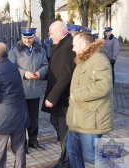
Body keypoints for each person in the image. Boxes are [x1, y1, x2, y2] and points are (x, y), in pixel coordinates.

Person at [66, 33, 113, 167]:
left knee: (91, 156)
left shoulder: (98, 59)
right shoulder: (83, 60)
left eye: (74, 45)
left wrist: (77, 95)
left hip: (91, 120)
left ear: (82, 45)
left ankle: (117, 163)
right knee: (73, 151)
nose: (72, 49)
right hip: (78, 119)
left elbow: (104, 86)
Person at [41, 21, 76, 168]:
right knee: (56, 123)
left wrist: (52, 97)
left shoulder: (68, 46)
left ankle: (66, 162)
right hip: (58, 96)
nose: (49, 36)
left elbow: (66, 75)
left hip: (63, 98)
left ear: (61, 32)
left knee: (64, 130)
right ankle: (65, 158)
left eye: (51, 33)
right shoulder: (61, 44)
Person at [8, 27, 48, 153]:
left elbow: (45, 64)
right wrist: (24, 73)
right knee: (22, 119)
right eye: (24, 37)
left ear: (34, 36)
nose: (27, 40)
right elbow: (10, 67)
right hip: (21, 90)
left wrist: (40, 73)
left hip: (35, 89)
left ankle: (33, 141)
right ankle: (22, 144)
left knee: (34, 118)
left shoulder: (40, 49)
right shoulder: (14, 50)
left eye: (29, 37)